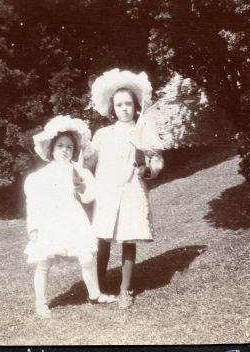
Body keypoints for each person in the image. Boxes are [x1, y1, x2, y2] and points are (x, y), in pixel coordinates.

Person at [85, 68, 164, 309]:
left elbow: (156, 160)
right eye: (119, 105)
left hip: (130, 189)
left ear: (136, 106)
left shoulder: (142, 132)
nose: (125, 109)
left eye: (128, 104)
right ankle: (98, 286)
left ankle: (124, 289)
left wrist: (148, 170)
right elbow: (89, 162)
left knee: (128, 238)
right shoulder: (102, 134)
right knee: (102, 239)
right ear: (112, 108)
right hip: (106, 191)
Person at [24, 115, 116, 318]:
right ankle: (41, 302)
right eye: (60, 146)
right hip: (51, 220)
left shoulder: (80, 172)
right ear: (51, 149)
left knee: (86, 257)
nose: (65, 150)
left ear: (74, 151)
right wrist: (34, 227)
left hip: (73, 219)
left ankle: (95, 294)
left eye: (69, 147)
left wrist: (82, 188)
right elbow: (34, 203)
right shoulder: (42, 176)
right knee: (44, 261)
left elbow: (90, 197)